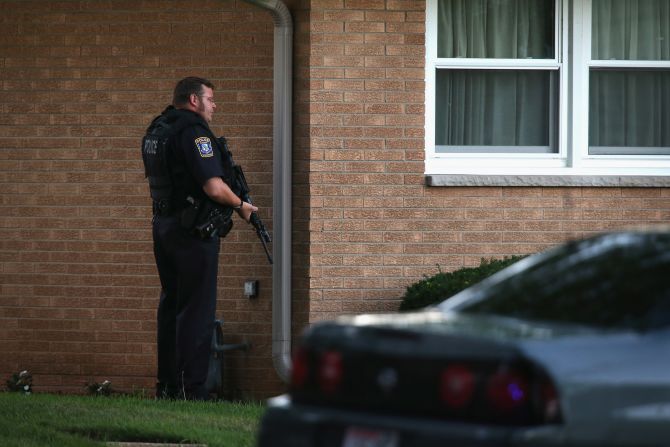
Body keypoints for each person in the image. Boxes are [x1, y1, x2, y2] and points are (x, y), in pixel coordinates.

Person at [142, 76, 257, 400]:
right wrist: (241, 205)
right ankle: (192, 389)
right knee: (196, 310)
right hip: (191, 232)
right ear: (193, 100)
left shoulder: (158, 128)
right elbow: (213, 186)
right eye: (210, 99)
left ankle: (167, 385)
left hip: (164, 225)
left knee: (172, 304)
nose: (214, 105)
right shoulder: (192, 132)